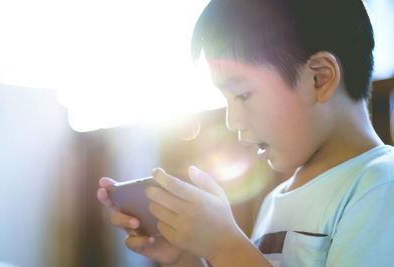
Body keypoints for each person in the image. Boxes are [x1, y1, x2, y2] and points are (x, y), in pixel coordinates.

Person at [97, 0, 394, 266]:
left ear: (319, 78)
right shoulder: (276, 200)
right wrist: (185, 257)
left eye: (242, 94)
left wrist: (225, 247)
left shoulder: (380, 187)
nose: (232, 121)